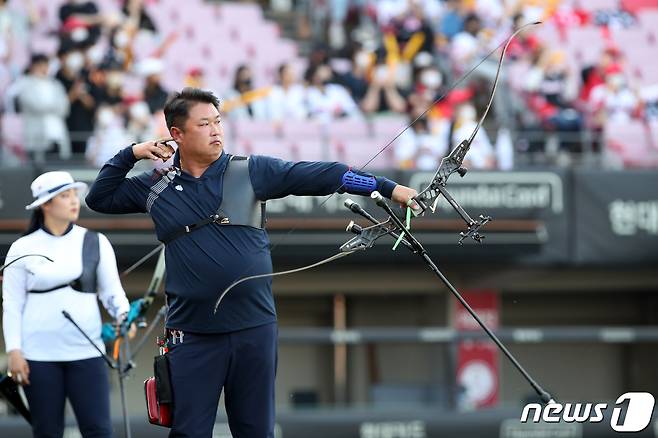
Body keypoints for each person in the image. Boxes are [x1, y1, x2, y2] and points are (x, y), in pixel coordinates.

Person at [85, 87, 418, 437]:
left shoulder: (250, 171)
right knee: (188, 432)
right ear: (177, 134)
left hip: (254, 329)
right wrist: (133, 152)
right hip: (192, 336)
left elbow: (325, 175)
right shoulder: (154, 186)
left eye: (218, 121)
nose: (216, 130)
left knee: (256, 431)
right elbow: (99, 197)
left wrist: (387, 187)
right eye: (204, 124)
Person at [2, 171, 132, 438]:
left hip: (87, 352)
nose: (74, 201)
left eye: (75, 194)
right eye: (65, 196)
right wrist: (14, 350)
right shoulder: (21, 247)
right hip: (38, 356)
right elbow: (12, 304)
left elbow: (112, 293)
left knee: (99, 430)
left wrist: (124, 315)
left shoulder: (95, 241)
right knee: (47, 431)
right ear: (46, 205)